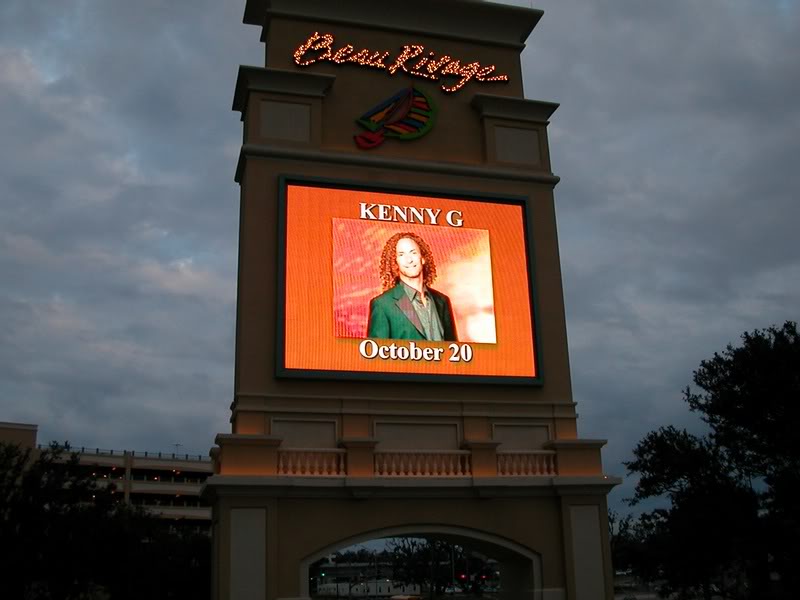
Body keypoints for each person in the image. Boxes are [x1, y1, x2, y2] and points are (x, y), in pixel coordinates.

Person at [367, 232, 457, 341]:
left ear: (423, 258)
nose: (409, 260)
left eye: (413, 253)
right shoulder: (383, 305)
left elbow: (454, 351)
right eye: (401, 254)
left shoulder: (442, 301)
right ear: (395, 263)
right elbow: (375, 355)